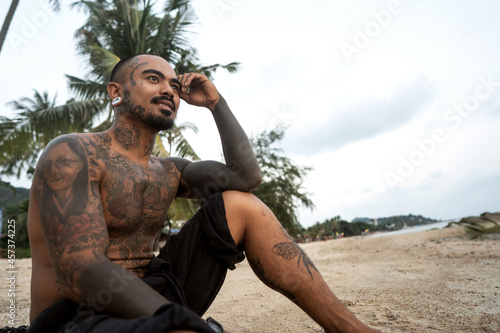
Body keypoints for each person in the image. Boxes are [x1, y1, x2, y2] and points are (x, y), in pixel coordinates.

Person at [27, 53, 379, 333]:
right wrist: (180, 321)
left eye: (174, 85)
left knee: (240, 204)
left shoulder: (168, 171)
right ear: (116, 92)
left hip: (155, 294)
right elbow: (81, 271)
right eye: (153, 78)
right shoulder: (73, 153)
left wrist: (216, 104)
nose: (169, 89)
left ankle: (349, 329)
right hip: (77, 317)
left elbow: (245, 176)